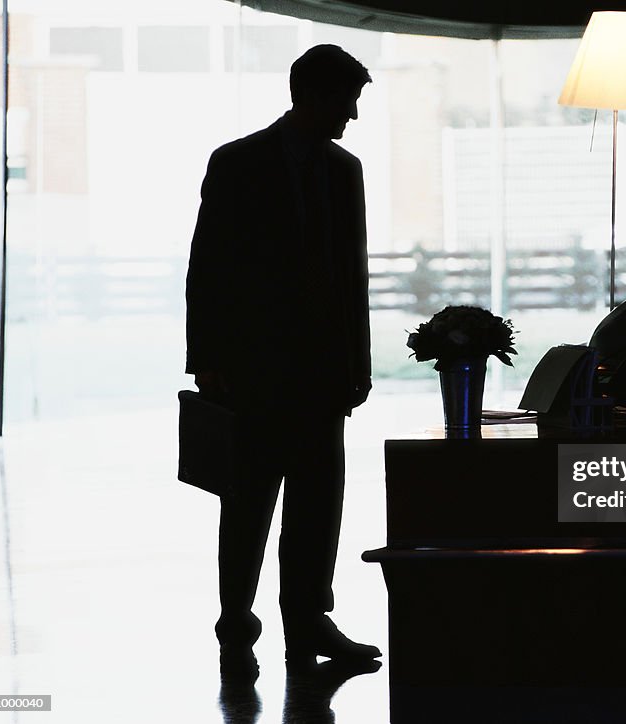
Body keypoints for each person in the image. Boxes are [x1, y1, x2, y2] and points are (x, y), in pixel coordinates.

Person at [185, 44, 380, 683]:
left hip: (321, 373)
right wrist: (208, 361)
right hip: (254, 372)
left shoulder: (342, 170)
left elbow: (354, 277)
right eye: (346, 100)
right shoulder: (237, 164)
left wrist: (360, 362)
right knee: (250, 500)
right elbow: (207, 267)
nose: (351, 115)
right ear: (315, 96)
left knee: (315, 503)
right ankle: (238, 617)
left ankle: (302, 618)